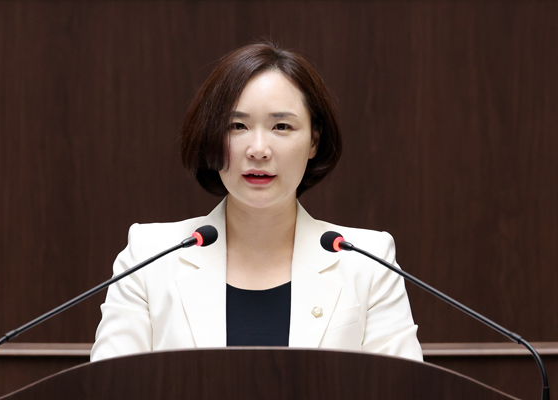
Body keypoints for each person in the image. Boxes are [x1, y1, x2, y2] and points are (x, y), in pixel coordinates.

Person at [90, 42, 422, 362]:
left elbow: (400, 387)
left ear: (314, 140)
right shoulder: (149, 257)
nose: (258, 149)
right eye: (237, 126)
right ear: (212, 137)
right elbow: (111, 385)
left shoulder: (367, 262)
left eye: (281, 126)